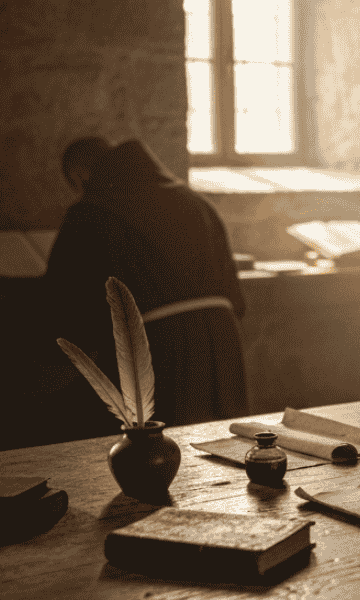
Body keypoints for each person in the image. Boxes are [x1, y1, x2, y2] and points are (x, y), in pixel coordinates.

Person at [28, 136, 248, 443]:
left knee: (147, 449)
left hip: (160, 347)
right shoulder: (195, 202)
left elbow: (66, 305)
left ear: (81, 177)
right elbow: (237, 301)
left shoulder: (90, 211)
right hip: (222, 344)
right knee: (218, 445)